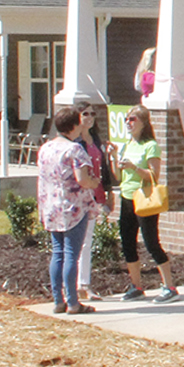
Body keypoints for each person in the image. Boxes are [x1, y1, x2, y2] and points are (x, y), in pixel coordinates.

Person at [37, 107, 100, 315]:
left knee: (58, 253)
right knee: (72, 254)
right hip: (73, 208)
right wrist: (94, 183)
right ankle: (73, 302)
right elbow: (82, 179)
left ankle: (58, 300)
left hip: (51, 206)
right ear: (74, 126)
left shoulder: (45, 148)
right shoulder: (74, 150)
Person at [115, 105, 178, 302]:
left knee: (151, 242)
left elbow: (154, 175)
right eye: (127, 119)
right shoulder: (126, 145)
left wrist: (134, 167)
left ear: (143, 122)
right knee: (127, 243)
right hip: (126, 197)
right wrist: (114, 160)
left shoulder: (150, 145)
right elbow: (118, 176)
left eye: (132, 119)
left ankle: (169, 286)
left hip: (144, 198)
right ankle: (136, 285)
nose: (128, 122)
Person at [74, 105, 115, 305]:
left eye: (92, 114)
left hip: (96, 194)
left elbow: (103, 167)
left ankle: (85, 285)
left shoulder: (95, 140)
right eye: (85, 114)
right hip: (79, 196)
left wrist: (109, 191)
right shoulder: (75, 142)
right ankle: (73, 286)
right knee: (77, 241)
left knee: (87, 241)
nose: (89, 117)